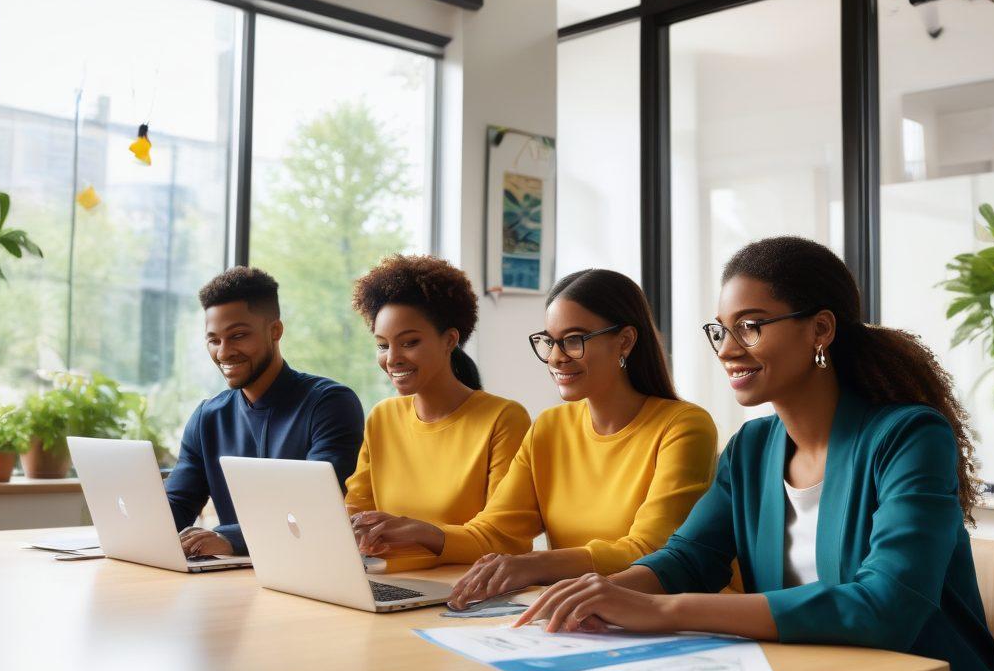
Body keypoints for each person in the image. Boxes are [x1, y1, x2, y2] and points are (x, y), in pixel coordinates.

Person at [519, 237, 994, 671]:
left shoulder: (908, 436)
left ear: (820, 330)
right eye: (721, 330)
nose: (727, 348)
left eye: (751, 326)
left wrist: (658, 610)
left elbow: (886, 607)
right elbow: (688, 559)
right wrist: (600, 593)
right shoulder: (752, 448)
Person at [354, 268, 717, 609]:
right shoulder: (550, 427)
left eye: (573, 340)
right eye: (550, 342)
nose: (556, 358)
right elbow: (496, 533)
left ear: (624, 341)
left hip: (678, 616)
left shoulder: (684, 427)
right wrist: (424, 532)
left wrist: (535, 564)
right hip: (585, 612)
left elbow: (650, 549)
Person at [344, 255, 531, 569]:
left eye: (410, 342)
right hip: (386, 582)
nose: (392, 359)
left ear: (449, 340)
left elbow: (504, 540)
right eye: (382, 345)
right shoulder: (382, 417)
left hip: (464, 589)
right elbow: (355, 513)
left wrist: (422, 532)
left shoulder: (504, 419)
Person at [167, 266, 364, 558]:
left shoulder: (330, 404)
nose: (223, 352)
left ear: (275, 331)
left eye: (238, 336)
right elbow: (178, 502)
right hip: (234, 578)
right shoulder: (208, 417)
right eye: (214, 340)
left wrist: (229, 537)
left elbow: (312, 506)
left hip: (310, 569)